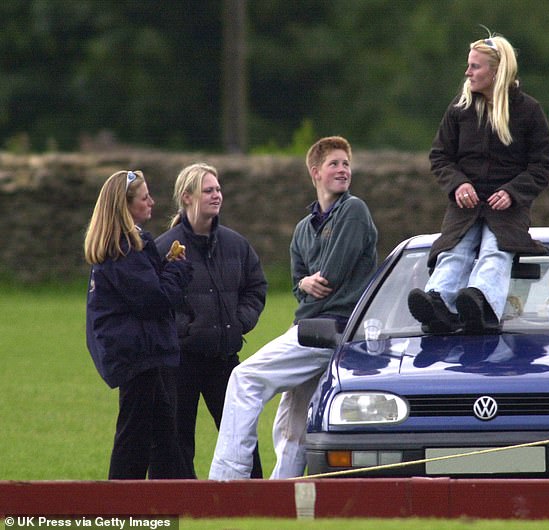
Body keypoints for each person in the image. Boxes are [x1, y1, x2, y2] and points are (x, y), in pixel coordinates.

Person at [209, 136, 378, 480]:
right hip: (311, 327)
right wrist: (304, 283)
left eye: (346, 163)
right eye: (334, 163)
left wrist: (310, 284)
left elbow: (331, 276)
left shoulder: (354, 210)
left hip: (334, 329)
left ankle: (227, 480)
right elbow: (298, 285)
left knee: (244, 379)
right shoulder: (303, 229)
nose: (343, 169)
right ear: (315, 172)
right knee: (294, 427)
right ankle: (280, 501)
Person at [408, 33, 549, 334]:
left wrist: (513, 193)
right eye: (468, 66)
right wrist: (458, 184)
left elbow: (542, 165)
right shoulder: (459, 109)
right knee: (455, 251)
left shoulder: (528, 111)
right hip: (465, 206)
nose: (467, 72)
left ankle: (480, 302)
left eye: (475, 67)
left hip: (508, 209)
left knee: (495, 251)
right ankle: (438, 303)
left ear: (496, 72)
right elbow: (440, 156)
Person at [155, 163, 267, 478]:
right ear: (187, 197)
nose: (217, 195)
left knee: (240, 435)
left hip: (223, 358)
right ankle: (181, 501)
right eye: (208, 190)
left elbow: (256, 287)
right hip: (181, 362)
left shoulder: (236, 245)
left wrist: (238, 321)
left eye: (218, 189)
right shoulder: (165, 248)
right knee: (177, 439)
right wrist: (185, 330)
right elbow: (157, 301)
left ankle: (256, 497)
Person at [84, 170, 193, 479]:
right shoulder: (124, 249)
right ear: (126, 205)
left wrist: (166, 271)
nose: (152, 202)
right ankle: (119, 506)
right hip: (138, 355)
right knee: (135, 437)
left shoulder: (128, 246)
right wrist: (178, 270)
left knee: (163, 434)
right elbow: (154, 300)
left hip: (141, 352)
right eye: (145, 198)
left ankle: (170, 500)